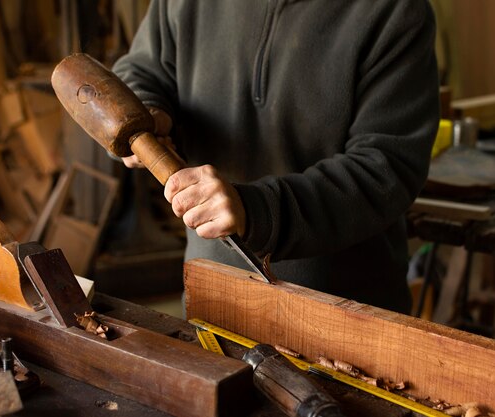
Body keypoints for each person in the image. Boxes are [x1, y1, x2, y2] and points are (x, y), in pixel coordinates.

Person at [111, 0, 440, 314]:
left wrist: (256, 211)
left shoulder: (395, 12)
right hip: (214, 296)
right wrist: (147, 112)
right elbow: (142, 70)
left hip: (346, 315)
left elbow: (386, 170)